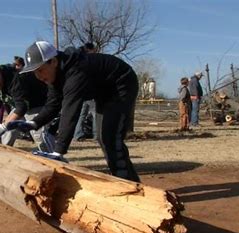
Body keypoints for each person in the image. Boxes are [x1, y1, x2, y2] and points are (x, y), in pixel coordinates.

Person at [8, 41, 140, 182]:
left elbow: (70, 111)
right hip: (104, 91)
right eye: (34, 72)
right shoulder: (56, 76)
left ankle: (130, 184)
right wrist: (34, 123)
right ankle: (125, 181)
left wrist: (58, 151)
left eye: (40, 70)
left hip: (122, 84)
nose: (38, 76)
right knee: (104, 138)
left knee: (109, 137)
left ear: (53, 61)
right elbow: (53, 105)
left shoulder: (76, 71)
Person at [73, 42, 97, 141]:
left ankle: (77, 134)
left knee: (81, 115)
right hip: (91, 92)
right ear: (90, 49)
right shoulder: (91, 60)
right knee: (95, 114)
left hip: (80, 92)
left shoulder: (77, 59)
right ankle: (97, 135)